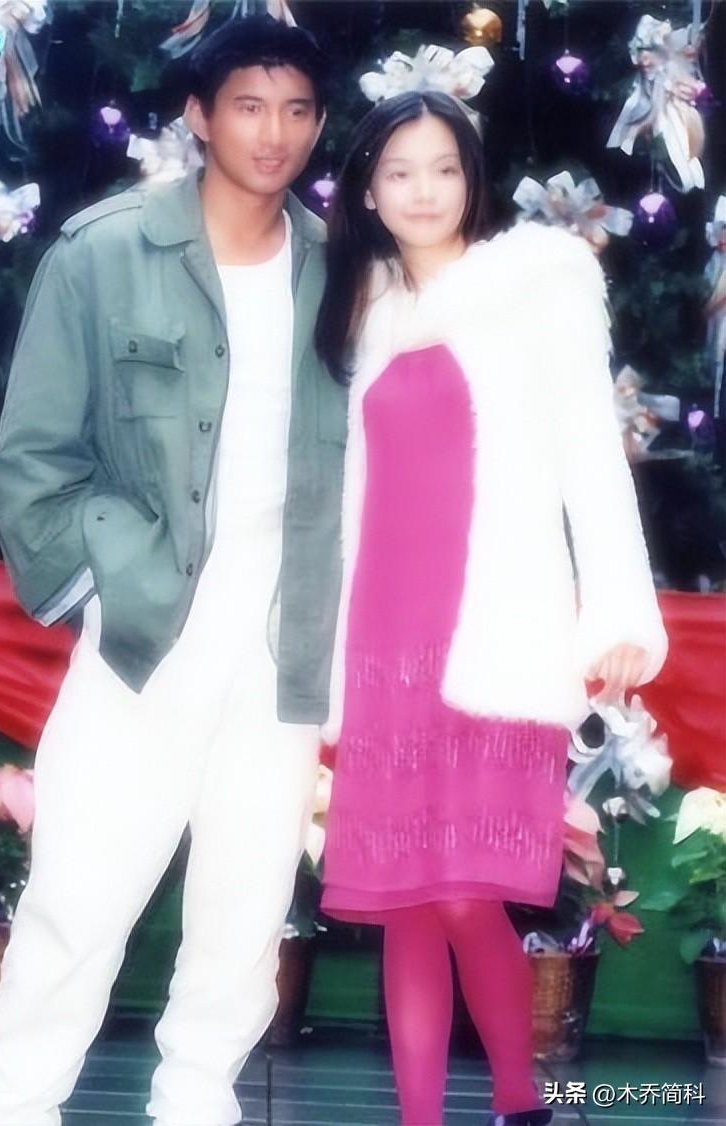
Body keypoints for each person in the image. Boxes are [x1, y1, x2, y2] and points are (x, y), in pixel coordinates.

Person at [0, 16, 346, 1126]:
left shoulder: (340, 268)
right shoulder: (103, 251)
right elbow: (34, 456)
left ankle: (197, 1105)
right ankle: (10, 1109)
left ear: (319, 124)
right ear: (198, 115)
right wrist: (101, 590)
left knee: (244, 915)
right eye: (247, 106)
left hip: (286, 637)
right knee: (78, 901)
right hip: (146, 625)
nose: (272, 133)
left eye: (296, 110)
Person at [314, 89, 668, 1126]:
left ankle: (519, 1096)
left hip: (499, 630)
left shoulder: (538, 287)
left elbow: (592, 460)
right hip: (383, 637)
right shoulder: (361, 310)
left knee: (467, 893)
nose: (423, 192)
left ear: (472, 179)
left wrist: (618, 615)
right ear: (368, 191)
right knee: (409, 901)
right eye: (399, 172)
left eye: (444, 169)